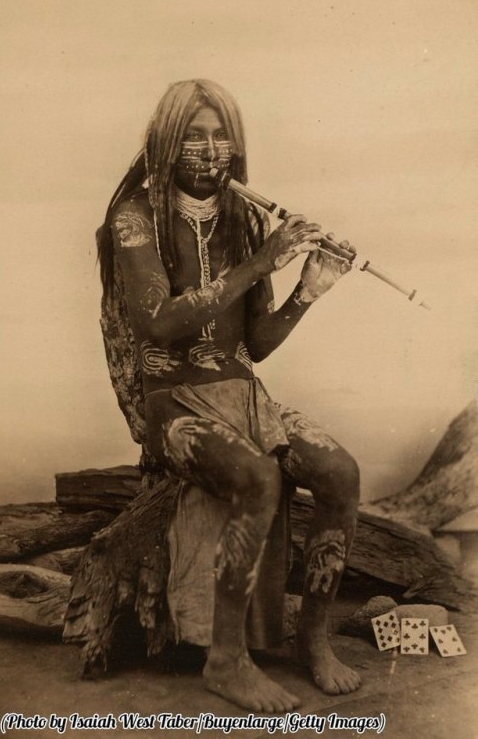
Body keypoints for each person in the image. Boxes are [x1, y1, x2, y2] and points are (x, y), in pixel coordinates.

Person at [98, 78, 361, 713]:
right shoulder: (134, 217)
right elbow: (157, 322)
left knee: (340, 472)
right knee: (259, 480)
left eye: (222, 136)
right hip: (176, 401)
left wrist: (308, 287)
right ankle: (226, 660)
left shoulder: (244, 217)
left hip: (245, 393)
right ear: (164, 141)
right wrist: (263, 262)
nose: (211, 149)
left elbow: (258, 345)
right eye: (194, 134)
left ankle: (313, 641)